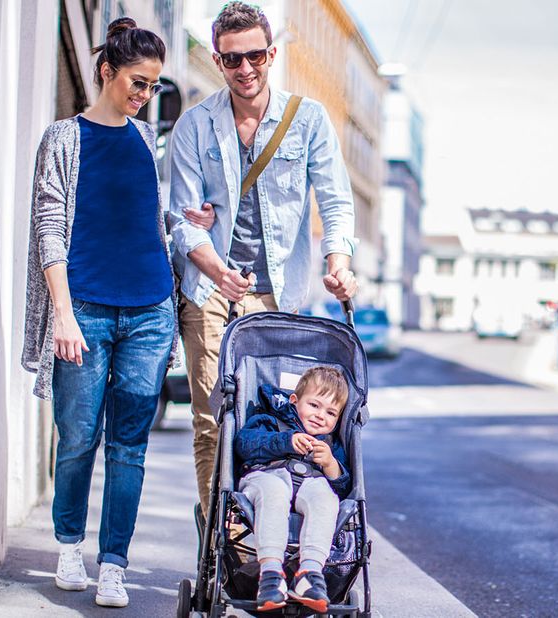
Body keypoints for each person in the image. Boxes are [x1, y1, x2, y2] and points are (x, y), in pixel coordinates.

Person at [167, 1, 358, 512]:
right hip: (210, 292)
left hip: (278, 297)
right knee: (212, 421)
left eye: (254, 56)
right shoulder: (194, 127)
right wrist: (216, 270)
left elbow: (336, 201)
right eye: (232, 59)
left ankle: (261, 528)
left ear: (271, 53)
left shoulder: (308, 120)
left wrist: (337, 262)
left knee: (266, 419)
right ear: (217, 60)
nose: (245, 69)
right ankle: (222, 543)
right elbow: (182, 221)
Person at [21, 17, 177, 608]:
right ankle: (68, 546)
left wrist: (189, 227)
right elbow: (50, 225)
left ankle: (114, 562)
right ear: (107, 72)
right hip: (83, 307)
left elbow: (147, 221)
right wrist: (61, 313)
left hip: (149, 310)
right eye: (137, 82)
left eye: (153, 86)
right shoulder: (64, 137)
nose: (143, 95)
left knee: (130, 445)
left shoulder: (143, 141)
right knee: (79, 437)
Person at [234, 367, 352, 613]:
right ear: (294, 401)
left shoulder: (331, 444)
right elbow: (245, 445)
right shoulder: (270, 420)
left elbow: (343, 488)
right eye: (314, 405)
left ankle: (309, 573)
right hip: (266, 476)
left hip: (311, 483)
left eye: (331, 412)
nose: (321, 416)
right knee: (274, 491)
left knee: (326, 498)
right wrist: (285, 441)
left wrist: (330, 464)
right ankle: (271, 575)